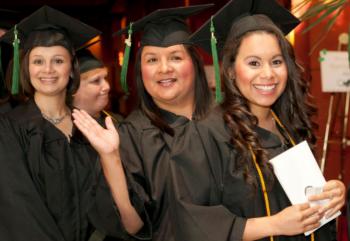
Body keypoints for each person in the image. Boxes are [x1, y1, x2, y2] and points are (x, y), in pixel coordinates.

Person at [166, 0, 346, 240]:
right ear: (230, 70)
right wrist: (274, 225)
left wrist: (332, 194)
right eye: (253, 63)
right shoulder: (203, 136)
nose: (268, 74)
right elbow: (191, 223)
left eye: (276, 61)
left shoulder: (291, 126)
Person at [0, 6, 144, 241]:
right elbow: (19, 212)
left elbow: (129, 223)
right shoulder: (9, 130)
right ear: (26, 67)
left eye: (58, 60)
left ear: (71, 67)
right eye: (38, 61)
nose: (48, 70)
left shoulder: (94, 130)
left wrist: (111, 157)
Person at [72, 4, 215, 241]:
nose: (164, 68)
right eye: (151, 60)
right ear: (140, 70)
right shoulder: (130, 135)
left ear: (194, 62)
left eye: (176, 57)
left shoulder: (227, 121)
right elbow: (134, 226)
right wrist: (111, 158)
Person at [74, 48, 123, 122]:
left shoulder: (117, 121)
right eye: (96, 80)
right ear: (73, 89)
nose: (107, 87)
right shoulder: (64, 130)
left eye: (105, 78)